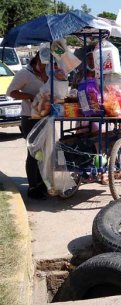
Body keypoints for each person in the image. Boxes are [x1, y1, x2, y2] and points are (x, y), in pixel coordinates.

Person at [7, 52, 48, 199]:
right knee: (33, 153)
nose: (45, 66)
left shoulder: (47, 73)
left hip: (45, 117)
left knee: (44, 152)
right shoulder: (25, 73)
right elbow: (11, 92)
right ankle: (33, 187)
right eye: (43, 63)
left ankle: (42, 182)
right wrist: (30, 97)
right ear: (36, 59)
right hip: (30, 118)